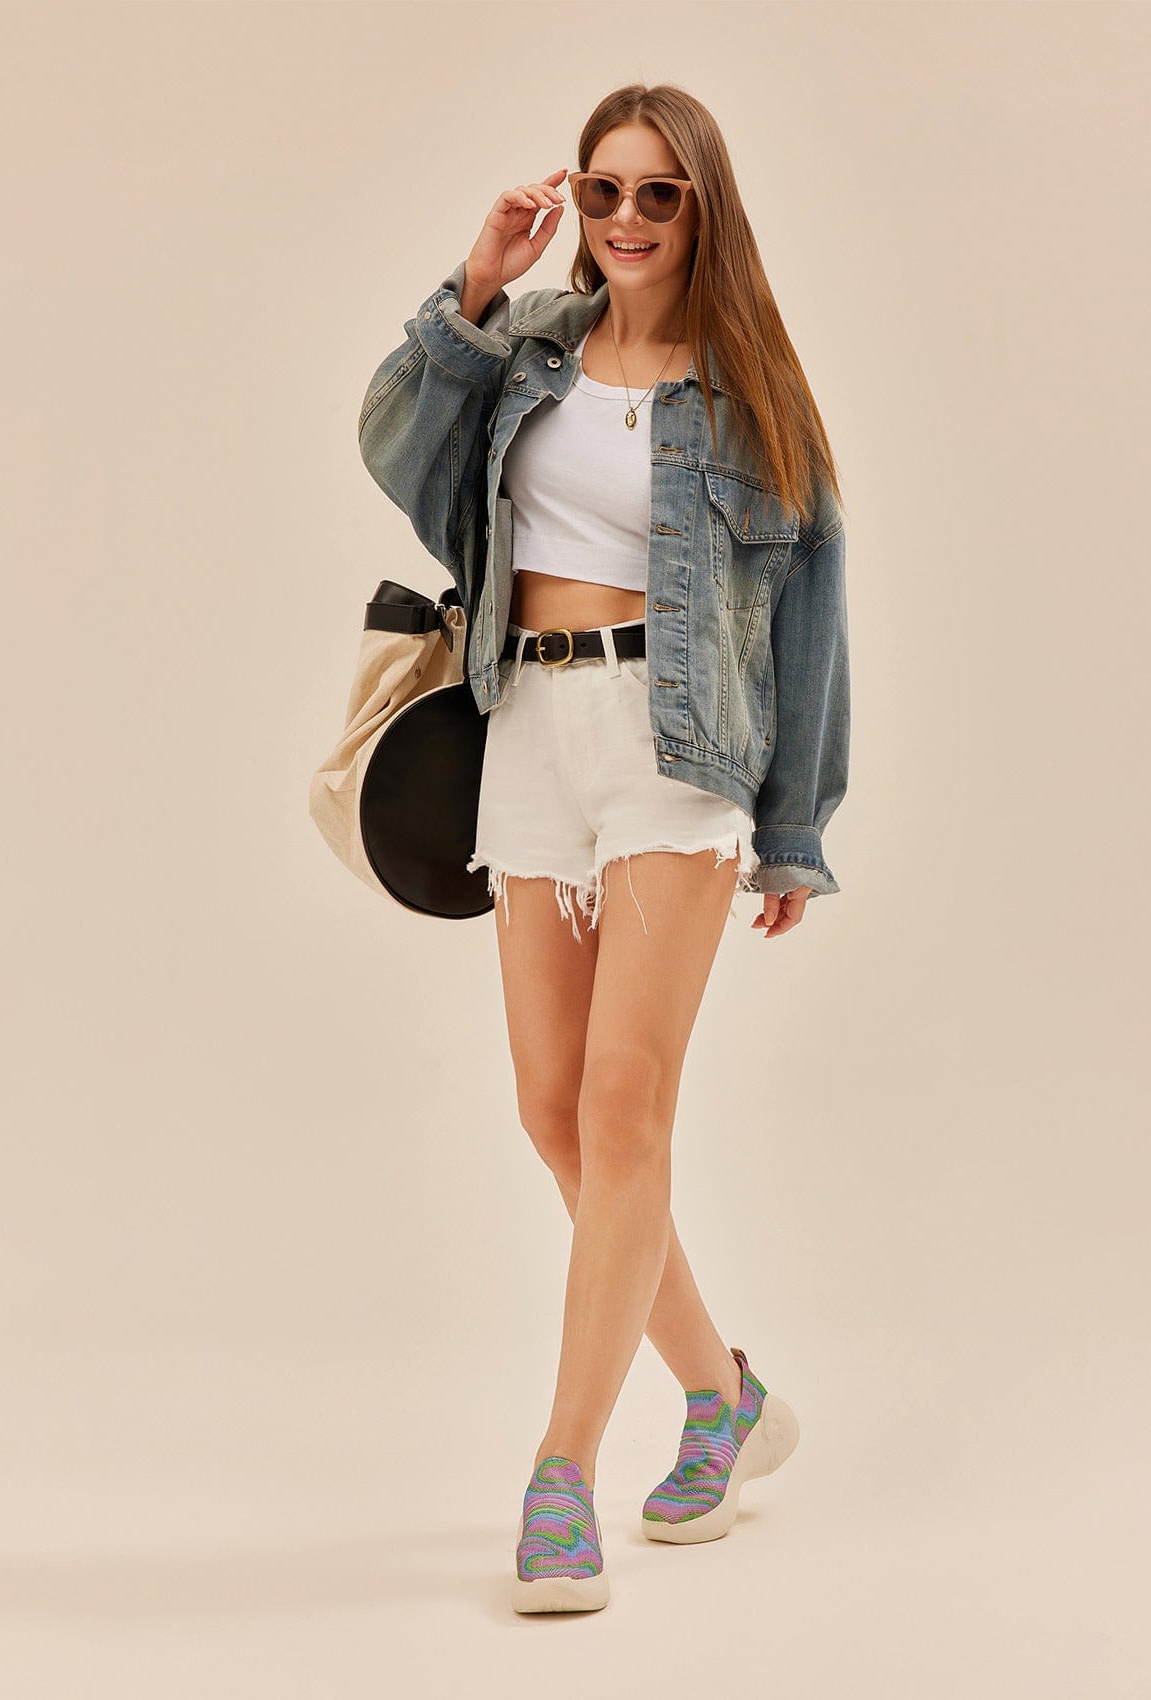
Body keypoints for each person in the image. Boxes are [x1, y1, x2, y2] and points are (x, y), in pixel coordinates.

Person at [356, 84, 850, 1614]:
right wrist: (475, 286)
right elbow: (392, 443)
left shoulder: (752, 394)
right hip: (527, 733)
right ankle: (724, 1399)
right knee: (552, 1109)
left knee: (626, 1107)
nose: (628, 218)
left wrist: (793, 828)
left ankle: (559, 1471)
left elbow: (816, 613)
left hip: (676, 751)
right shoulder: (529, 354)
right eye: (605, 189)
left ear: (703, 208)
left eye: (659, 193)